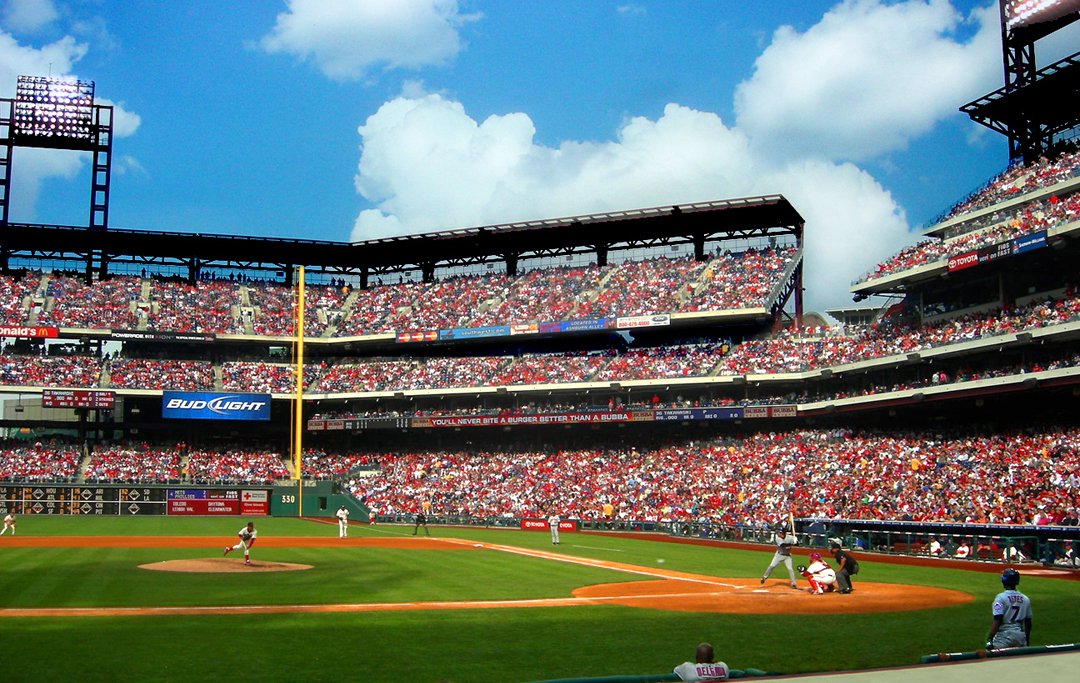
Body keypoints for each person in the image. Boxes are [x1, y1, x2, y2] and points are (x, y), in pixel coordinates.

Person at [986, 568, 1032, 650]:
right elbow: (1028, 621)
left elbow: (998, 618)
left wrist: (990, 638)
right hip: (1020, 636)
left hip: (1004, 636)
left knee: (996, 658)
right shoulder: (1025, 599)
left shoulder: (1000, 598)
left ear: (1004, 581)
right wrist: (1026, 638)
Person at [760, 522, 799, 589]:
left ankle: (793, 584)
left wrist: (796, 541)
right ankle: (764, 577)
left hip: (787, 556)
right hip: (779, 555)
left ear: (782, 533)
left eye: (778, 532)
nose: (777, 533)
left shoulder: (790, 537)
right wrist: (792, 544)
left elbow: (797, 544)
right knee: (771, 566)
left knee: (790, 569)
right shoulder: (778, 538)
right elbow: (783, 545)